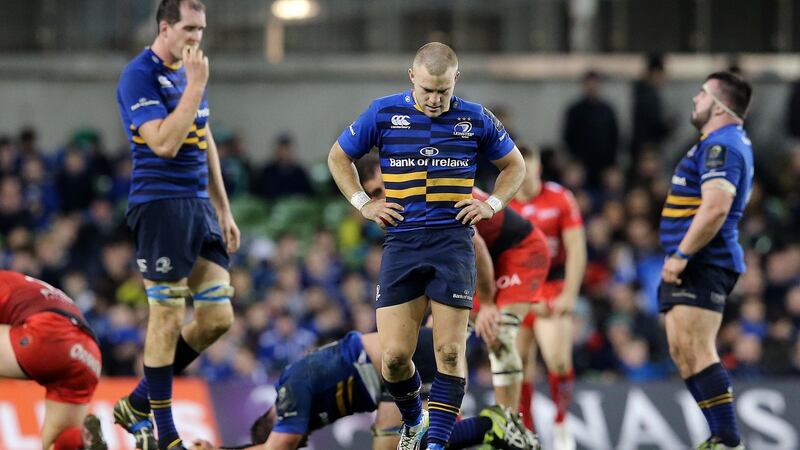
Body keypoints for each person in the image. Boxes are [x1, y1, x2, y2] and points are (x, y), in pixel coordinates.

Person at [327, 42, 526, 450]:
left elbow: (515, 166)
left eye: (443, 91)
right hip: (401, 243)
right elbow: (337, 158)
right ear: (411, 77)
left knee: (450, 353)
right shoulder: (383, 112)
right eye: (427, 91)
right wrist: (363, 204)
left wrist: (491, 204)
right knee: (396, 358)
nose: (435, 100)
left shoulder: (475, 118)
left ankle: (435, 444)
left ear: (457, 80)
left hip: (452, 243)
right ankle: (415, 420)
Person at [114, 1, 240, 449]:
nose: (196, 38)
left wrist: (223, 208)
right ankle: (165, 435)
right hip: (160, 204)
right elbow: (164, 143)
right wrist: (195, 86)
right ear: (164, 27)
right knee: (166, 317)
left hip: (198, 207)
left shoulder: (192, 74)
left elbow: (202, 139)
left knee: (218, 318)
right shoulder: (138, 76)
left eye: (201, 29)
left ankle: (138, 402)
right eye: (188, 28)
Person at [358, 153, 551, 414]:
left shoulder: (433, 192)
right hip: (474, 264)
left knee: (500, 332)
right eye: (374, 194)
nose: (383, 197)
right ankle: (450, 421)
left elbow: (477, 244)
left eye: (384, 187)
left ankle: (507, 424)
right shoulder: (400, 210)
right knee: (441, 342)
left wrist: (489, 304)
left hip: (519, 251)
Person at [190, 328, 538, 450]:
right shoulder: (307, 411)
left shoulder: (290, 390)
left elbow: (275, 447)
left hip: (406, 359)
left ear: (277, 419)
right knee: (405, 446)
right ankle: (490, 427)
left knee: (400, 446)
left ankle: (491, 426)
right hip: (391, 377)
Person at [658, 71, 753, 450]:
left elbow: (715, 208)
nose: (694, 100)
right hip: (690, 260)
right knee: (683, 350)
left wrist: (682, 254)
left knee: (697, 348)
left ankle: (727, 440)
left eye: (701, 94)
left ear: (718, 104)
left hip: (703, 260)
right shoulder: (713, 142)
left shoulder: (723, 146)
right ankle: (721, 437)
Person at [509, 146, 587, 450]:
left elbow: (577, 249)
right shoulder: (504, 204)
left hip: (552, 287)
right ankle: (527, 430)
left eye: (531, 169)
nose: (526, 177)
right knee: (519, 365)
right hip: (518, 289)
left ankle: (561, 421)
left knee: (557, 358)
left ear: (539, 168)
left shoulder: (559, 198)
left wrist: (570, 293)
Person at [0, 270, 107, 450]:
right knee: (55, 444)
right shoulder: (25, 283)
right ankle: (83, 439)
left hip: (49, 333)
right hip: (89, 355)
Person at [562, 70, 619, 187]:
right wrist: (575, 161)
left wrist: (611, 163)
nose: (592, 87)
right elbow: (568, 136)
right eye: (589, 83)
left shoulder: (607, 110)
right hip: (580, 162)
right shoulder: (575, 110)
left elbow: (615, 136)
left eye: (595, 83)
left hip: (605, 162)